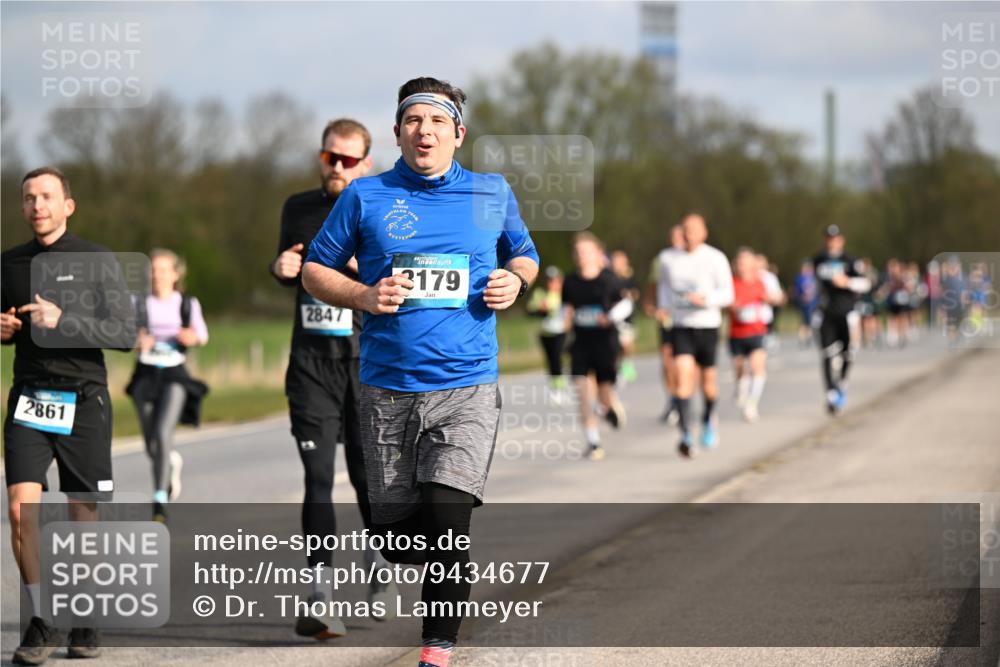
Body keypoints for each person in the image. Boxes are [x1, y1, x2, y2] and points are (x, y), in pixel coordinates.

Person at [301, 77, 539, 667]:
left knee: (448, 517)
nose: (424, 131)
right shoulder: (365, 196)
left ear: (458, 133)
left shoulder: (491, 192)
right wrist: (362, 295)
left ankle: (436, 653)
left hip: (467, 387)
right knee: (396, 535)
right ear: (397, 131)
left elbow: (525, 254)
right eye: (413, 121)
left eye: (437, 121)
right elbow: (313, 271)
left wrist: (518, 280)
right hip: (387, 391)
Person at [3, 167, 136, 665]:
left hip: (84, 400)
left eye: (47, 197)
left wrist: (67, 320)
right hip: (29, 401)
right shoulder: (9, 263)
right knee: (20, 511)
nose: (38, 205)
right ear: (22, 208)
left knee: (84, 519)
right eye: (29, 198)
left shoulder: (97, 260)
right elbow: (7, 324)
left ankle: (85, 615)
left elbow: (124, 333)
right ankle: (41, 618)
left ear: (68, 205)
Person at [270, 118, 396, 639]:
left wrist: (353, 271)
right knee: (318, 477)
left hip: (365, 362)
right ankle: (320, 593)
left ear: (366, 163)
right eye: (330, 158)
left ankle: (381, 563)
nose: (337, 167)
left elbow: (397, 278)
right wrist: (279, 267)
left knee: (368, 480)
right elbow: (287, 269)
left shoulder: (382, 206)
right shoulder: (298, 208)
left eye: (348, 160)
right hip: (311, 366)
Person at [126, 249, 209, 523]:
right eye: (153, 270)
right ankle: (169, 464)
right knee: (151, 441)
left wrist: (190, 337)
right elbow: (123, 337)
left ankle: (159, 499)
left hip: (175, 373)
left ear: (175, 274)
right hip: (145, 374)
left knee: (162, 432)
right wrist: (138, 340)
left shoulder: (186, 303)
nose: (157, 276)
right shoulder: (138, 303)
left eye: (163, 270)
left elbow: (202, 336)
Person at [657, 213, 733, 457]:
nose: (688, 234)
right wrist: (663, 307)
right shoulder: (668, 259)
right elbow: (664, 288)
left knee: (709, 385)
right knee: (682, 376)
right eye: (685, 229)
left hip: (708, 325)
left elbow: (728, 294)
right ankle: (686, 434)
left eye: (693, 230)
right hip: (681, 326)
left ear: (703, 233)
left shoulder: (715, 258)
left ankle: (709, 418)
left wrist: (706, 300)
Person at [562, 233, 631, 461]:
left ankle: (607, 407)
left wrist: (609, 317)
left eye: (587, 251)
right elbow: (566, 310)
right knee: (582, 393)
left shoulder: (609, 279)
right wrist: (562, 322)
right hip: (581, 343)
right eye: (579, 252)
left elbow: (626, 304)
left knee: (603, 394)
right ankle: (593, 442)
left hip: (605, 343)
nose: (582, 256)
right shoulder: (570, 282)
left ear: (597, 254)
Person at [812, 224, 870, 414]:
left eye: (835, 238)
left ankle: (841, 384)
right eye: (828, 238)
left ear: (841, 240)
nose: (832, 242)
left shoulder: (851, 260)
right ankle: (831, 393)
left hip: (847, 312)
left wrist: (848, 282)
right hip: (826, 312)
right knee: (827, 353)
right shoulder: (818, 260)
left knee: (848, 353)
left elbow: (867, 283)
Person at [646, 224, 685, 423]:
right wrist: (651, 305)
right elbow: (653, 284)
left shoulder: (697, 258)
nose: (675, 240)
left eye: (680, 236)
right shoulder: (662, 259)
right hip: (667, 316)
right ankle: (673, 400)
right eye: (673, 236)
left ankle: (683, 397)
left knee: (685, 363)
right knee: (668, 361)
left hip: (689, 319)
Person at [729, 248, 772, 422]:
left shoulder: (759, 282)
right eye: (739, 262)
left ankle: (752, 405)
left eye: (745, 261)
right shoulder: (731, 282)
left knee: (757, 367)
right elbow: (726, 303)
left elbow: (770, 298)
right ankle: (741, 387)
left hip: (757, 330)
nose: (742, 265)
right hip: (737, 332)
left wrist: (769, 299)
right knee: (740, 370)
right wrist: (733, 307)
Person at [526, 266, 569, 403]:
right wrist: (541, 309)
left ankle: (560, 389)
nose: (551, 283)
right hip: (545, 333)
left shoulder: (564, 294)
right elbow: (531, 311)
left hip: (560, 332)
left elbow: (567, 310)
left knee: (557, 359)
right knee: (550, 361)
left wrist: (547, 308)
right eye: (549, 280)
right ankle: (555, 387)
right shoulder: (540, 293)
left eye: (554, 280)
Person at [610, 249, 640, 384]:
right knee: (615, 345)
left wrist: (627, 294)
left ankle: (627, 364)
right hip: (612, 315)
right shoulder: (609, 277)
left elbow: (636, 294)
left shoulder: (630, 277)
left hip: (627, 317)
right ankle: (617, 367)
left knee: (627, 344)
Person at [792, 260, 819, 348]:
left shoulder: (814, 278)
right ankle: (803, 337)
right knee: (804, 321)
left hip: (812, 303)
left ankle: (808, 337)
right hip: (803, 303)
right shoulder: (799, 278)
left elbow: (817, 291)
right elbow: (795, 291)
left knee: (810, 321)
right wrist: (800, 298)